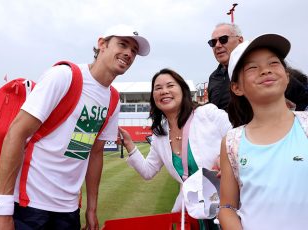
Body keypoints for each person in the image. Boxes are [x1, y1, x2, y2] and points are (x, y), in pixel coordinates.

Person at [0, 24, 150, 230]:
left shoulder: (113, 99)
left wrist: (91, 209)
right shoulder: (64, 76)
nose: (128, 53)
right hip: (29, 206)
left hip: (69, 211)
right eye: (123, 44)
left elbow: (96, 153)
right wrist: (1, 210)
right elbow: (16, 133)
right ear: (102, 44)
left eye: (134, 51)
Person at [119, 68, 231, 229]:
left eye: (170, 85)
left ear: (183, 90)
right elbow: (148, 171)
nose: (164, 91)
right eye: (158, 88)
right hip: (192, 214)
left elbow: (240, 137)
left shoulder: (207, 114)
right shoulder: (160, 134)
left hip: (227, 207)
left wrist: (224, 157)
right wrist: (129, 144)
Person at [219, 34, 308, 229]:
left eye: (274, 63)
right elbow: (227, 206)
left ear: (287, 77)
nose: (266, 70)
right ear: (236, 87)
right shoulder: (232, 142)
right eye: (252, 67)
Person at [207, 23, 244, 110]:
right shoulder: (213, 77)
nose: (217, 45)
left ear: (240, 40)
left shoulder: (253, 69)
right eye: (213, 42)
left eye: (223, 39)